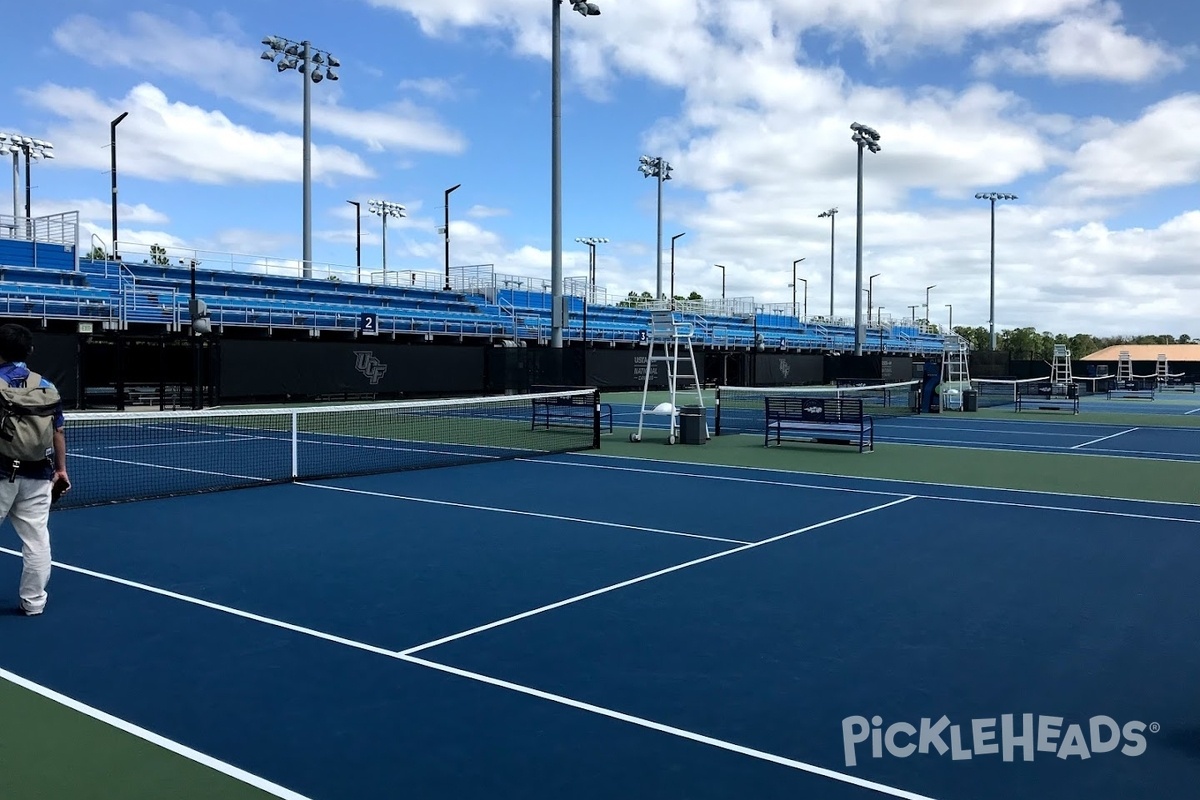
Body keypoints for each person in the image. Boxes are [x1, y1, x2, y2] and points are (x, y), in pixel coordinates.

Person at [0, 324, 68, 616]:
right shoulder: (46, 386)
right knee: (37, 540)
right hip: (39, 473)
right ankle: (34, 601)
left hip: (2, 472)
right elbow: (58, 432)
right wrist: (61, 470)